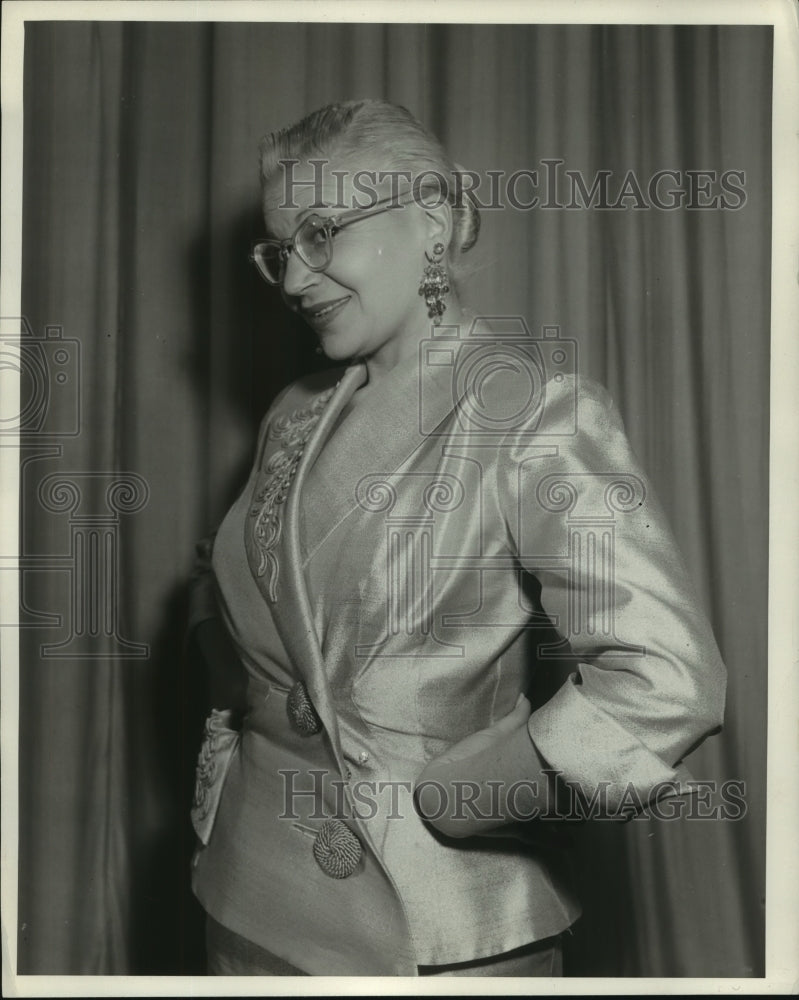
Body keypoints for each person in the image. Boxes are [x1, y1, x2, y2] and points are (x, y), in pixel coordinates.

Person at [187, 98, 726, 977]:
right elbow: (249, 615)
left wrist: (463, 796)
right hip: (245, 898)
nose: (291, 280)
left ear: (430, 221)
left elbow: (669, 680)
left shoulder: (531, 415)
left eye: (321, 233)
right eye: (280, 250)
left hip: (427, 929)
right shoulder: (292, 416)